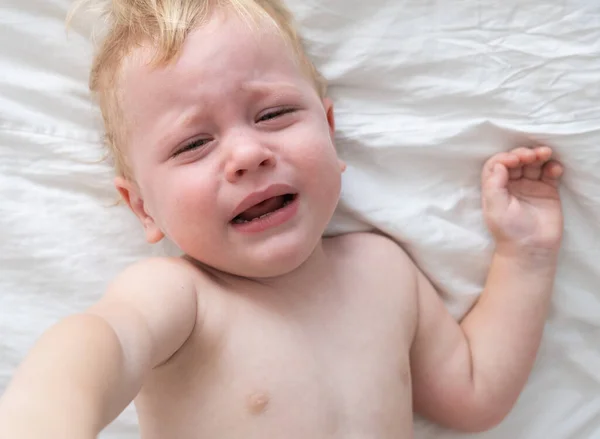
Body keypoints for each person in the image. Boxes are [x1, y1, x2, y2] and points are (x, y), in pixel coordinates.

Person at [0, 0, 565, 438]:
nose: (248, 154)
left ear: (329, 128)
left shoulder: (383, 271)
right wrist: (43, 418)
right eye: (194, 144)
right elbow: (103, 343)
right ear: (144, 207)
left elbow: (475, 393)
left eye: (273, 114)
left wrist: (525, 256)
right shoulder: (182, 297)